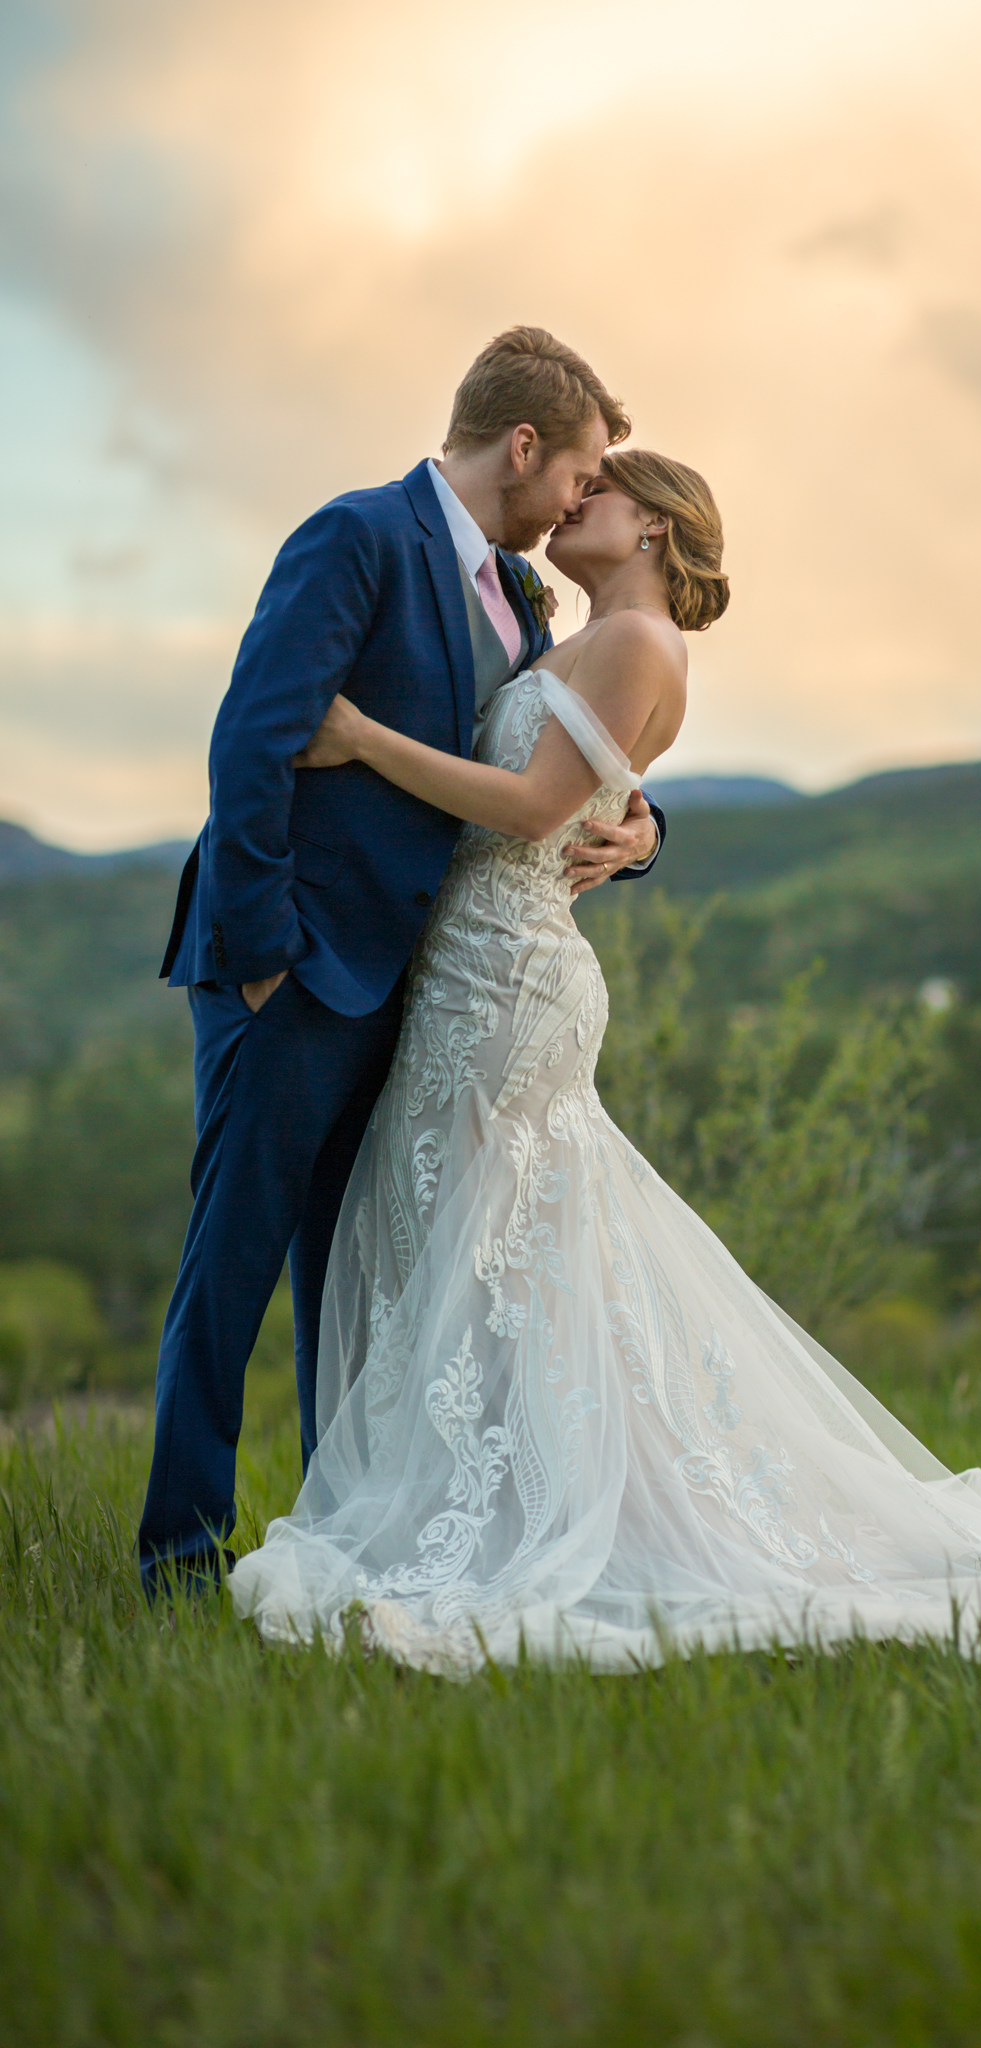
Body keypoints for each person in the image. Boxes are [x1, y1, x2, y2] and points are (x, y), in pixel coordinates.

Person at [231, 449, 981, 1673]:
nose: (574, 503)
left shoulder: (638, 644)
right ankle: (511, 1494)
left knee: (499, 1250)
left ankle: (534, 1519)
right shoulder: (577, 629)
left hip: (507, 983)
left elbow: (522, 806)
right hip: (474, 967)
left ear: (655, 528)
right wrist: (636, 824)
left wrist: (357, 735)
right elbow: (582, 796)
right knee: (504, 1258)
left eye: (598, 489)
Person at [138, 328, 664, 1596]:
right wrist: (263, 957)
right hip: (301, 973)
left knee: (353, 1284)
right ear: (523, 445)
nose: (582, 499)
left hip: (427, 989)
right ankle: (181, 1555)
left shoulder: (521, 592)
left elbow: (554, 756)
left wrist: (642, 830)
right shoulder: (359, 536)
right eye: (579, 472)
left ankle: (342, 1536)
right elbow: (253, 742)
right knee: (235, 1266)